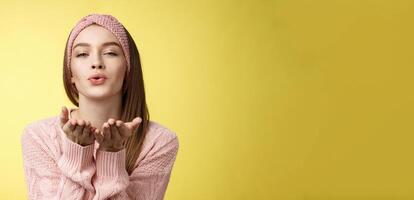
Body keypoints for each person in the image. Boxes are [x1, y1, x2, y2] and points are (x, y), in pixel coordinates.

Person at [21, 13, 179, 200]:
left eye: (110, 53)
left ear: (128, 69)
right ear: (70, 72)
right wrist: (76, 155)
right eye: (82, 54)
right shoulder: (38, 137)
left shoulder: (158, 142)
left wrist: (111, 156)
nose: (96, 63)